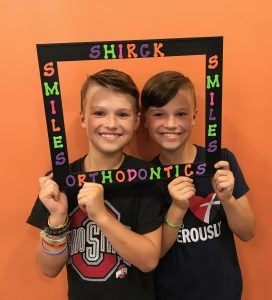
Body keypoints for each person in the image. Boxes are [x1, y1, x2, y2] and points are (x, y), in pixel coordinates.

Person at [27, 69, 163, 300]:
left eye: (122, 114)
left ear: (137, 120)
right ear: (83, 118)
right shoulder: (60, 180)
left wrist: (101, 216)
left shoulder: (147, 176)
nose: (110, 123)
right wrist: (58, 218)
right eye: (99, 113)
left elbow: (149, 260)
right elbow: (47, 269)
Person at [141, 71, 256, 300]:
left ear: (194, 117)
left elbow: (248, 232)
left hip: (224, 292)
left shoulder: (220, 160)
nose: (171, 124)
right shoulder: (145, 176)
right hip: (171, 294)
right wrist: (177, 208)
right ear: (145, 119)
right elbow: (156, 252)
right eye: (159, 114)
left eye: (181, 114)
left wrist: (228, 199)